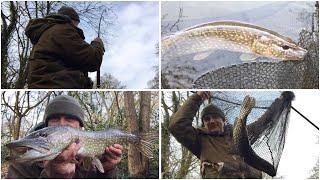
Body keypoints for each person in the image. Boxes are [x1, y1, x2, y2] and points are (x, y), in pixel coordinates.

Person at [169, 91, 292, 178]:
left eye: (215, 117)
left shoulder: (240, 132)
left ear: (223, 120)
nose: (211, 121)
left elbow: (264, 122)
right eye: (207, 119)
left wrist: (281, 101)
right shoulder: (199, 140)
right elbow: (177, 125)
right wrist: (198, 97)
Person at [7, 95, 123, 178]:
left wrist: (107, 170)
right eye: (55, 119)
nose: (62, 124)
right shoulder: (21, 166)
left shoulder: (90, 164)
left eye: (70, 119)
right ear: (46, 125)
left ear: (80, 127)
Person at [25, 6, 104, 89]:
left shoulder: (46, 34)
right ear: (71, 20)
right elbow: (93, 61)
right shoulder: (63, 30)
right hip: (57, 84)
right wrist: (98, 43)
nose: (76, 27)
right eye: (76, 24)